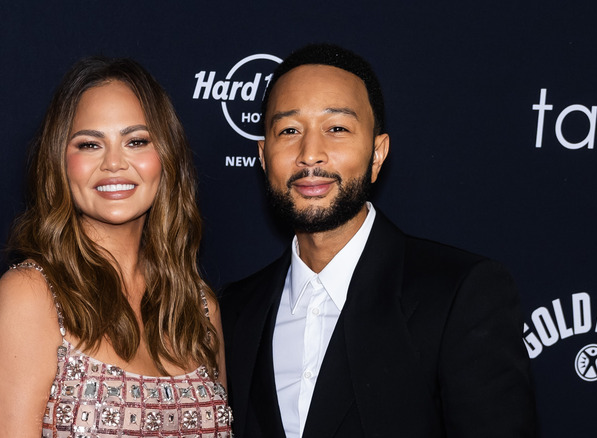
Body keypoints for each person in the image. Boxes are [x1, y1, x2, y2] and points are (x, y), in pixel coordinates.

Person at [219, 43, 536, 437]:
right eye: (289, 130)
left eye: (336, 128)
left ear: (377, 153)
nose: (310, 154)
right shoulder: (231, 311)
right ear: (264, 157)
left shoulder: (459, 295)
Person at [0, 57, 232, 438]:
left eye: (136, 141)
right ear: (61, 162)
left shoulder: (198, 306)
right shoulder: (32, 295)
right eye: (89, 144)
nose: (114, 163)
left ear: (166, 157)